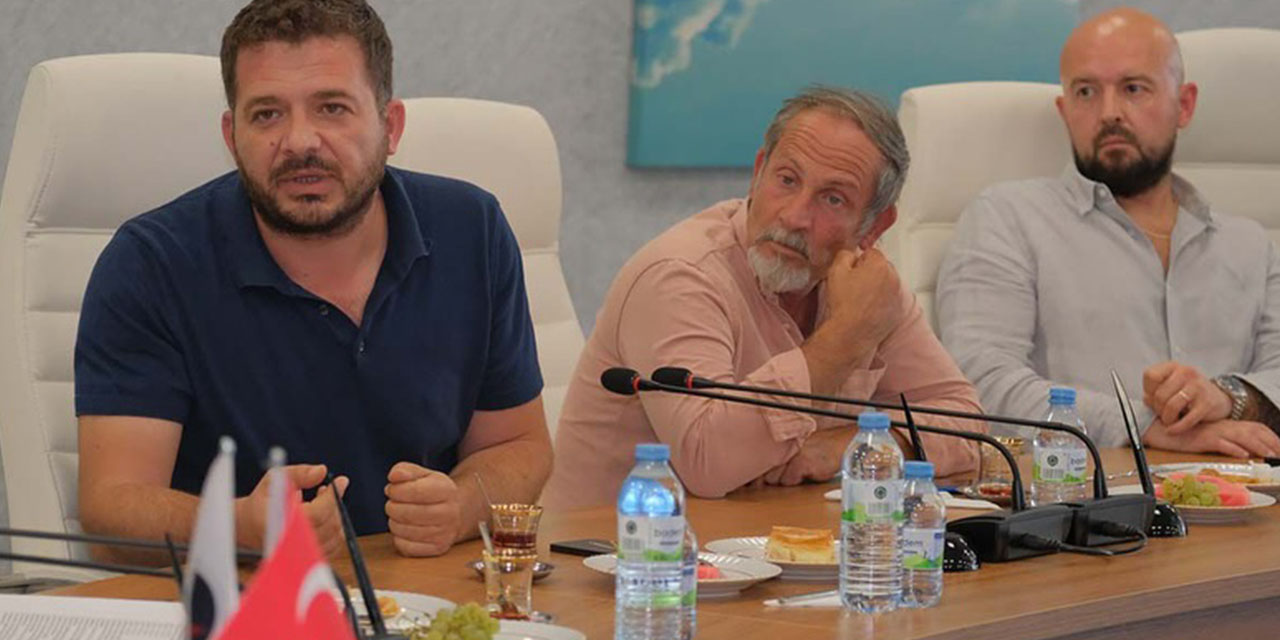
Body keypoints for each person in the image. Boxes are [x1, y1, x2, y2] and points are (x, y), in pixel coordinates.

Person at [75, 0, 552, 563]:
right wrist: (237, 529)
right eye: (267, 114)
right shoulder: (149, 263)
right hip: (243, 597)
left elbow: (519, 445)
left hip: (422, 592)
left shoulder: (472, 229)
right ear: (232, 136)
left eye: (332, 108)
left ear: (390, 126)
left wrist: (461, 506)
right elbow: (111, 506)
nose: (300, 141)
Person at [544, 86, 985, 510]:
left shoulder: (867, 287)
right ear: (758, 173)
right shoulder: (680, 274)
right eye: (787, 180)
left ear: (874, 227)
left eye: (832, 199)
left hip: (772, 545)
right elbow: (708, 461)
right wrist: (844, 339)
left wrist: (854, 446)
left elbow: (970, 427)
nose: (794, 216)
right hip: (617, 551)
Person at [936, 8, 1280, 457]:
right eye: (1086, 92)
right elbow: (979, 381)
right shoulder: (1007, 218)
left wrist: (1228, 397)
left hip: (1247, 491)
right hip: (1084, 492)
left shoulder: (1250, 245)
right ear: (1065, 112)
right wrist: (1141, 425)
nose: (1109, 113)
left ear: (1184, 105)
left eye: (1133, 88)